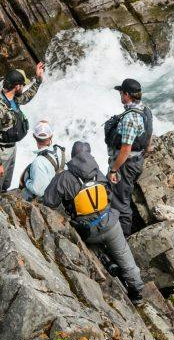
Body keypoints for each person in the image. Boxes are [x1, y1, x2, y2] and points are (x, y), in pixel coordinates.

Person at [43, 141, 144, 302]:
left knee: (85, 236)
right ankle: (136, 293)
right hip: (111, 225)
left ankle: (104, 259)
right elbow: (109, 197)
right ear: (90, 155)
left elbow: (48, 202)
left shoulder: (64, 177)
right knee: (126, 258)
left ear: (73, 157)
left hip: (88, 232)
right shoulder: (100, 175)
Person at [0, 62, 44, 194]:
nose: (24, 87)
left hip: (11, 148)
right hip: (0, 152)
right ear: (17, 86)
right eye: (23, 85)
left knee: (5, 184)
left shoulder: (14, 99)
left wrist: (38, 80)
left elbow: (27, 97)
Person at [103, 77, 153, 236]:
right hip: (137, 160)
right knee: (123, 196)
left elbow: (125, 150)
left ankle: (123, 237)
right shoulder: (145, 109)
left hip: (127, 164)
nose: (120, 96)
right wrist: (145, 150)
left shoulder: (130, 118)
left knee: (120, 201)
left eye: (121, 93)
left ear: (127, 95)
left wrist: (113, 170)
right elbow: (149, 133)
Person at [20, 121, 65, 200]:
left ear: (34, 136)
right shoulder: (60, 150)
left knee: (23, 192)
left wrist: (26, 181)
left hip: (50, 197)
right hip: (62, 191)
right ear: (51, 136)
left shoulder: (38, 162)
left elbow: (39, 191)